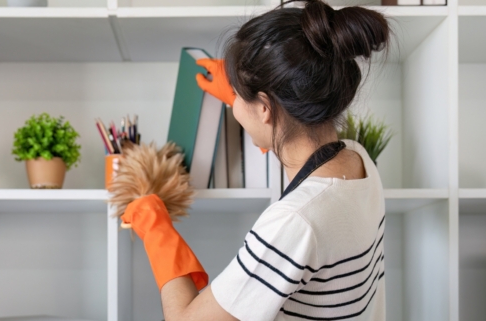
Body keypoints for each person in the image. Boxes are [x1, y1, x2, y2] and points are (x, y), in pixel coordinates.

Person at [120, 0, 391, 319]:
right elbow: (298, 151)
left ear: (265, 108)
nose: (233, 105)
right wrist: (248, 100)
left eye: (237, 95)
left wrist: (156, 230)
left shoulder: (294, 223)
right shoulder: (357, 161)